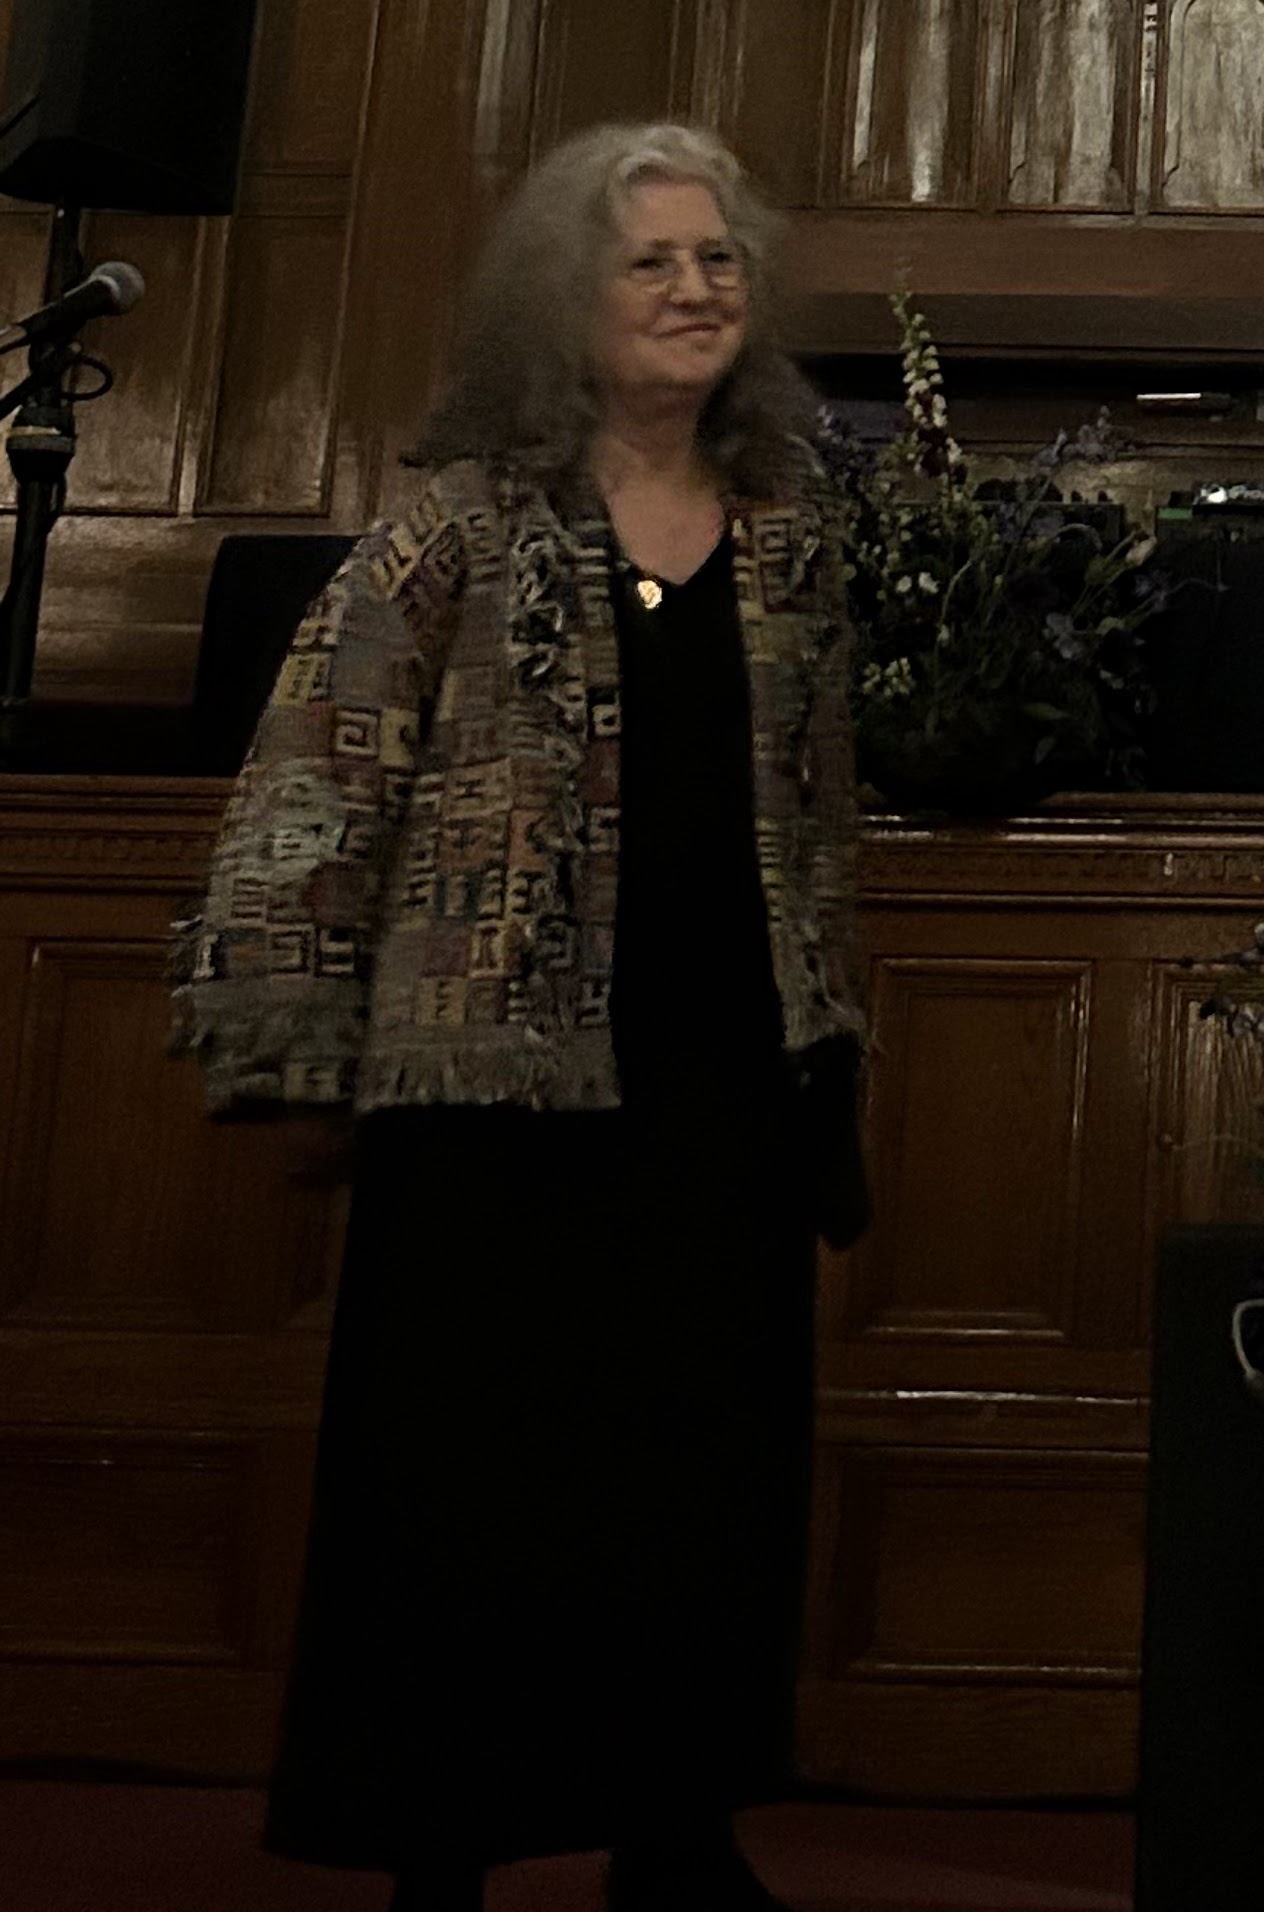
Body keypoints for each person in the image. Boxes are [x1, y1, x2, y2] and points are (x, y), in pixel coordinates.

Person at [171, 122, 866, 1912]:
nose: (696, 288)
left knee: (699, 1479)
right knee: (467, 1488)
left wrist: (827, 1052)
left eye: (717, 258)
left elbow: (816, 823)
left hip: (720, 1080)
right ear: (566, 300)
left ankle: (676, 1835)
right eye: (653, 261)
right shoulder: (460, 527)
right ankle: (441, 1851)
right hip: (491, 1090)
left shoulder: (788, 539)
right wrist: (294, 1043)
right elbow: (317, 776)